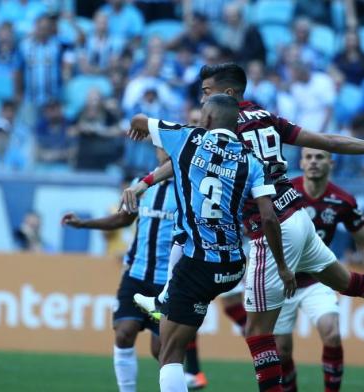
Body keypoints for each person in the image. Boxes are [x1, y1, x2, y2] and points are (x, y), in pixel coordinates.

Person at [127, 63, 364, 391]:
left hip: (273, 229)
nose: (201, 101)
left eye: (207, 93)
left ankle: (167, 297)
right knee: (348, 282)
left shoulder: (219, 129)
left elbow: (185, 154)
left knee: (257, 333)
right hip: (299, 216)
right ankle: (165, 296)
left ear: (227, 95)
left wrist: (145, 182)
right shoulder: (267, 118)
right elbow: (326, 140)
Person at [127, 93, 295, 392]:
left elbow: (138, 120)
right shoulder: (251, 160)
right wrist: (282, 267)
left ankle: (166, 298)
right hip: (232, 265)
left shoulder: (187, 139)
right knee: (188, 312)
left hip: (198, 264)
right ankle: (165, 297)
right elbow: (269, 218)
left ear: (206, 119)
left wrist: (141, 128)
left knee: (169, 353)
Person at [62, 148, 178, 392]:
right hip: (136, 274)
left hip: (167, 283)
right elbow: (122, 219)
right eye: (161, 147)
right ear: (156, 152)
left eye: (170, 147)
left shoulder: (187, 189)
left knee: (162, 349)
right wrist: (83, 224)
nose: (166, 153)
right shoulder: (141, 184)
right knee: (124, 333)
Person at [274, 148, 364, 392]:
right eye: (309, 157)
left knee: (332, 333)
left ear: (331, 163)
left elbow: (361, 238)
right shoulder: (284, 193)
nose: (314, 162)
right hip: (283, 280)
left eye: (320, 157)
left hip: (318, 279)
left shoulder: (343, 200)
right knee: (281, 353)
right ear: (301, 162)